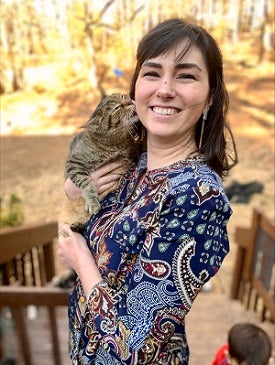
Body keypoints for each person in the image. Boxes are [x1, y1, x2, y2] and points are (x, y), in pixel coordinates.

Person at [58, 18, 238, 364]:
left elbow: (132, 347)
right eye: (152, 73)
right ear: (136, 87)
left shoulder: (198, 198)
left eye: (186, 75)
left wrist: (81, 260)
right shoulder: (135, 165)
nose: (165, 89)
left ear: (211, 95)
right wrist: (75, 190)